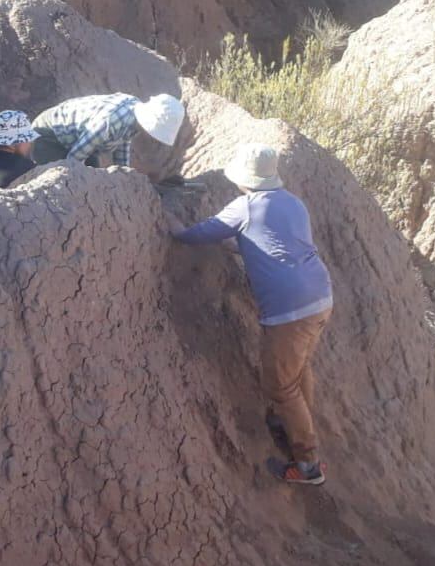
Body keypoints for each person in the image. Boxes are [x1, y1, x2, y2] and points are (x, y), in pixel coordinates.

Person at [171, 144, 334, 486]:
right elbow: (277, 243)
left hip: (289, 308)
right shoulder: (293, 202)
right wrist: (240, 245)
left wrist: (172, 228)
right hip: (320, 296)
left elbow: (201, 233)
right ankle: (285, 422)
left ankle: (308, 466)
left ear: (246, 180)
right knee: (299, 368)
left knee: (280, 385)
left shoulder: (245, 206)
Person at [31, 93, 184, 169]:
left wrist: (125, 176)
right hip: (47, 136)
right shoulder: (109, 122)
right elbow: (72, 161)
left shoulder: (133, 119)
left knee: (94, 177)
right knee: (62, 180)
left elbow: (122, 147)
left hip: (75, 142)